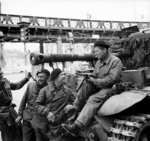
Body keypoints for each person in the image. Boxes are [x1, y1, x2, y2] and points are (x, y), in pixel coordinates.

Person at [62, 40, 123, 136]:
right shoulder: (99, 62)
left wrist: (95, 81)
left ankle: (76, 126)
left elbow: (112, 79)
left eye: (96, 51)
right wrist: (90, 77)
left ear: (104, 50)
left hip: (110, 88)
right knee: (85, 86)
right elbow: (95, 75)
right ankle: (75, 109)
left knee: (93, 99)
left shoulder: (115, 61)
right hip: (100, 85)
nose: (95, 54)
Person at [34, 68, 75, 141]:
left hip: (61, 125)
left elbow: (75, 102)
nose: (64, 76)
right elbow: (36, 105)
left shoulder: (68, 91)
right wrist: (47, 112)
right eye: (62, 75)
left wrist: (72, 106)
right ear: (56, 77)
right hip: (47, 125)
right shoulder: (45, 90)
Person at [15, 69, 50, 141]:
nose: (40, 79)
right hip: (28, 117)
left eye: (42, 77)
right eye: (38, 76)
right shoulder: (30, 85)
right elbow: (23, 101)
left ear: (47, 78)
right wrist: (19, 115)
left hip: (41, 120)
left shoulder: (50, 88)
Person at [0, 67, 31, 141]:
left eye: (0, 72)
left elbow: (16, 86)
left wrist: (26, 78)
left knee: (18, 130)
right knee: (8, 135)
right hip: (2, 115)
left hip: (11, 111)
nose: (1, 74)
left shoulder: (5, 81)